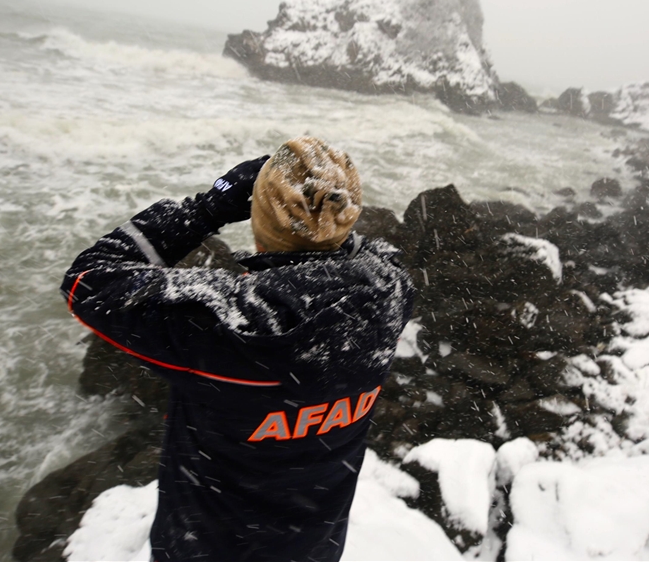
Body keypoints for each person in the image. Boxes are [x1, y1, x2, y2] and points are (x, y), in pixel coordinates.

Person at [61, 136, 415, 561]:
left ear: (258, 219)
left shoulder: (230, 324)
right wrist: (313, 209)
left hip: (208, 549)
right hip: (315, 545)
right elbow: (360, 249)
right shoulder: (390, 291)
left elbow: (87, 279)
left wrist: (211, 205)